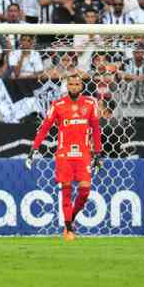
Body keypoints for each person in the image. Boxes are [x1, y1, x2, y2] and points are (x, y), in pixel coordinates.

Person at [25, 73, 102, 241]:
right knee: (66, 191)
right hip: (64, 154)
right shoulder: (58, 104)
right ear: (67, 86)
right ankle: (68, 230)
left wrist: (98, 153)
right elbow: (44, 128)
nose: (74, 87)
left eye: (77, 84)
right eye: (71, 84)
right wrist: (33, 149)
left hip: (83, 154)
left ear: (81, 86)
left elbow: (96, 129)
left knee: (84, 192)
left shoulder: (90, 103)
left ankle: (70, 219)